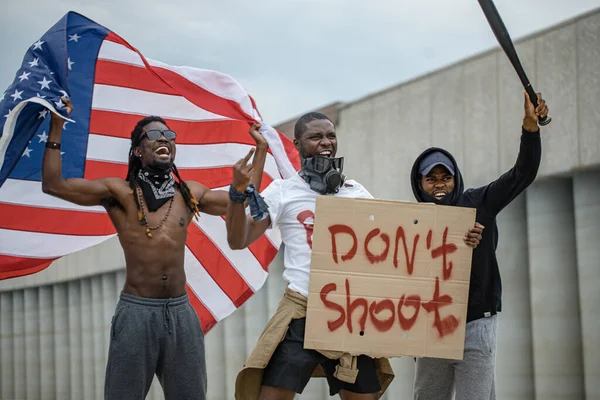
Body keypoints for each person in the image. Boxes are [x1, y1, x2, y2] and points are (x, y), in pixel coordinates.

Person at [226, 112, 484, 400]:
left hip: (350, 314)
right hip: (302, 311)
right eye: (315, 136)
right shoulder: (283, 192)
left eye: (330, 135)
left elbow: (400, 247)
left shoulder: (356, 192)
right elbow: (239, 240)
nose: (326, 142)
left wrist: (459, 238)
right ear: (297, 144)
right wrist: (238, 195)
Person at [40, 98, 269, 400]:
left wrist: (260, 154)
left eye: (169, 135)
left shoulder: (189, 194)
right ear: (137, 150)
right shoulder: (118, 193)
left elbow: (244, 200)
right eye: (153, 135)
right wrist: (56, 128)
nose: (164, 138)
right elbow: (54, 185)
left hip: (180, 313)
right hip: (137, 312)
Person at [411, 92, 549, 400]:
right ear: (419, 185)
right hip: (431, 327)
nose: (439, 185)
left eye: (445, 177)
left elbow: (522, 174)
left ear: (456, 179)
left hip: (477, 324)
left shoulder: (479, 202)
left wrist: (530, 126)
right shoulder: (411, 223)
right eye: (430, 179)